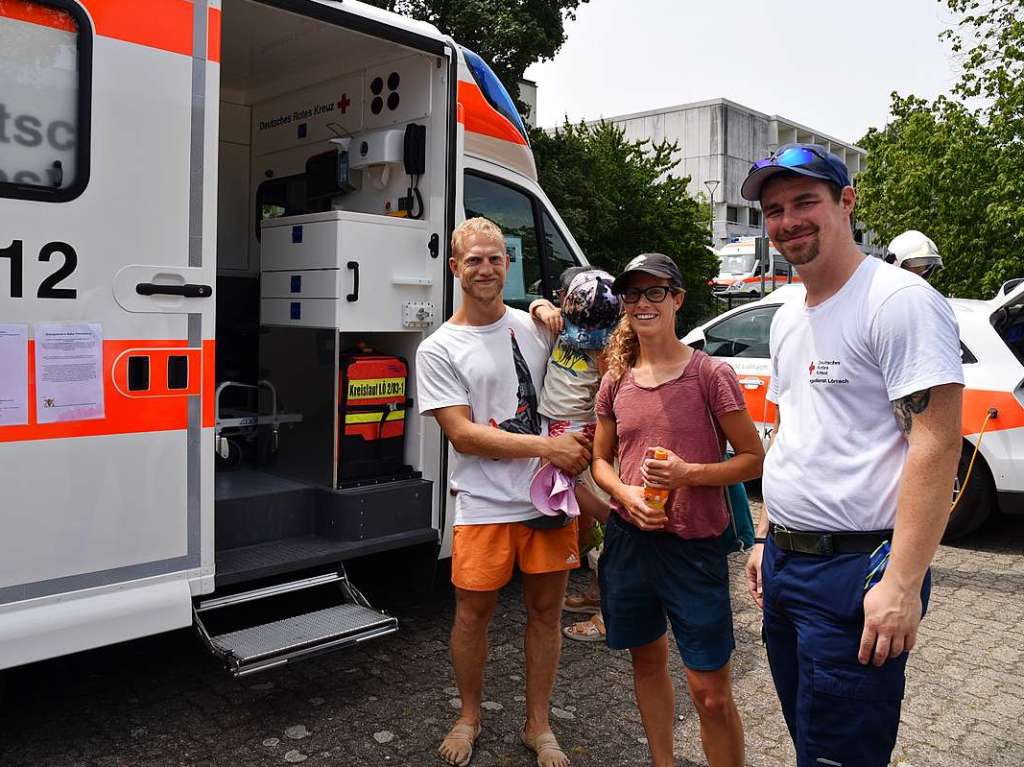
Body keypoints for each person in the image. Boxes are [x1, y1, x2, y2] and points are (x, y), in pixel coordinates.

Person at [740, 144, 964, 767]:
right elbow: (794, 432)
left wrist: (902, 583)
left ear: (846, 202)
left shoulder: (897, 301)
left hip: (858, 571)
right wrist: (765, 536)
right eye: (774, 209)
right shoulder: (790, 315)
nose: (788, 221)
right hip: (787, 565)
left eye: (805, 201)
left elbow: (937, 442)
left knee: (841, 754)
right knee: (810, 738)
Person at [416, 217, 591, 767]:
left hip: (549, 501)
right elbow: (462, 435)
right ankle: (468, 715)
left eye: (495, 258)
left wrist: (548, 307)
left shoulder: (537, 326)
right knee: (473, 615)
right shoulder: (439, 348)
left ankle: (538, 725)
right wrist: (548, 451)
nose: (486, 269)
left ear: (508, 264)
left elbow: (585, 367)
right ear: (454, 269)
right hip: (484, 505)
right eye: (474, 260)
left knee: (546, 613)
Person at [590, 253, 764, 767]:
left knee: (709, 691)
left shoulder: (710, 375)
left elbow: (753, 460)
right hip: (630, 543)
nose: (643, 303)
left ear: (678, 300)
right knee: (647, 664)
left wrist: (689, 475)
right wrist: (625, 495)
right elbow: (600, 461)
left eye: (655, 292)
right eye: (633, 295)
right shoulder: (615, 381)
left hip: (694, 549)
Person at [530, 268, 621, 643]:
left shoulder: (611, 342)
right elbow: (536, 304)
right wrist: (540, 307)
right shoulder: (566, 318)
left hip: (582, 432)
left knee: (596, 520)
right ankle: (599, 594)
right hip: (555, 425)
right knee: (580, 520)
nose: (587, 334)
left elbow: (611, 398)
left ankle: (611, 616)